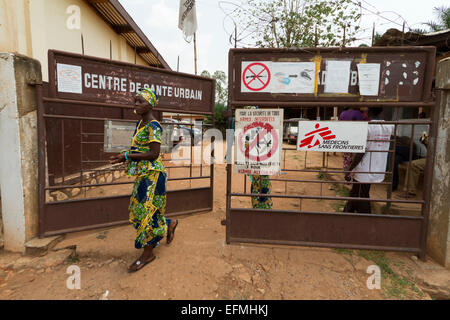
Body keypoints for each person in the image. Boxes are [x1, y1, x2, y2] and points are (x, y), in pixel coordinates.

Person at [109, 88, 178, 273]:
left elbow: (154, 153)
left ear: (149, 105)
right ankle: (169, 223)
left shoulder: (154, 126)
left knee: (146, 212)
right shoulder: (140, 124)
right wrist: (125, 156)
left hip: (153, 175)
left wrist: (126, 156)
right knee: (140, 209)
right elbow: (139, 148)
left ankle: (148, 253)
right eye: (135, 100)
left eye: (140, 101)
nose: (135, 104)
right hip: (143, 174)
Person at [343, 107, 394, 213]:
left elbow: (361, 152)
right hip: (378, 166)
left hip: (365, 168)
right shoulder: (389, 126)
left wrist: (350, 168)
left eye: (364, 110)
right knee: (355, 193)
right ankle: (346, 213)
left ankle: (366, 218)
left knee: (362, 195)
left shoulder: (368, 127)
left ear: (369, 112)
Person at [396, 132, 428, 199]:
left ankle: (410, 192)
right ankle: (410, 191)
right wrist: (425, 141)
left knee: (414, 164)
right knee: (412, 164)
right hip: (432, 158)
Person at [339, 107, 365, 171]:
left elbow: (339, 125)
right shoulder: (358, 113)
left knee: (346, 158)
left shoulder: (342, 114)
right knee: (354, 158)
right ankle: (351, 173)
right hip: (355, 138)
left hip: (345, 138)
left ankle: (346, 172)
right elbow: (361, 126)